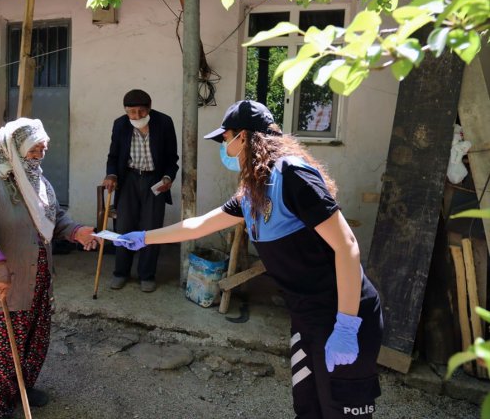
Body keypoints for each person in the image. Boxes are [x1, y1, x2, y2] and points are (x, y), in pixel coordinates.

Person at [115, 100, 383, 418]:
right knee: (308, 409)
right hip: (306, 316)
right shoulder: (253, 189)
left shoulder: (291, 174)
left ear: (244, 137)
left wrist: (347, 326)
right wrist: (144, 237)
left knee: (340, 412)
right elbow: (199, 225)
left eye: (225, 138)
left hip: (344, 315)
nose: (224, 147)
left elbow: (348, 246)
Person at [0, 118, 97, 419]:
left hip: (35, 280)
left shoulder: (36, 178)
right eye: (35, 148)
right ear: (16, 148)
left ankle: (20, 387)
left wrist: (76, 232)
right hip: (1, 282)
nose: (41, 153)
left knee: (32, 341)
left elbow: (53, 217)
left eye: (43, 147)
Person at [102, 89, 179, 292]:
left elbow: (172, 158)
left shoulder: (164, 123)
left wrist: (168, 177)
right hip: (129, 179)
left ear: (149, 108)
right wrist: (111, 175)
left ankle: (147, 275)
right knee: (124, 227)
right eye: (131, 112)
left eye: (141, 112)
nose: (136, 117)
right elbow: (113, 156)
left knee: (151, 229)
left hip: (154, 179)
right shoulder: (120, 124)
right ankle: (121, 272)